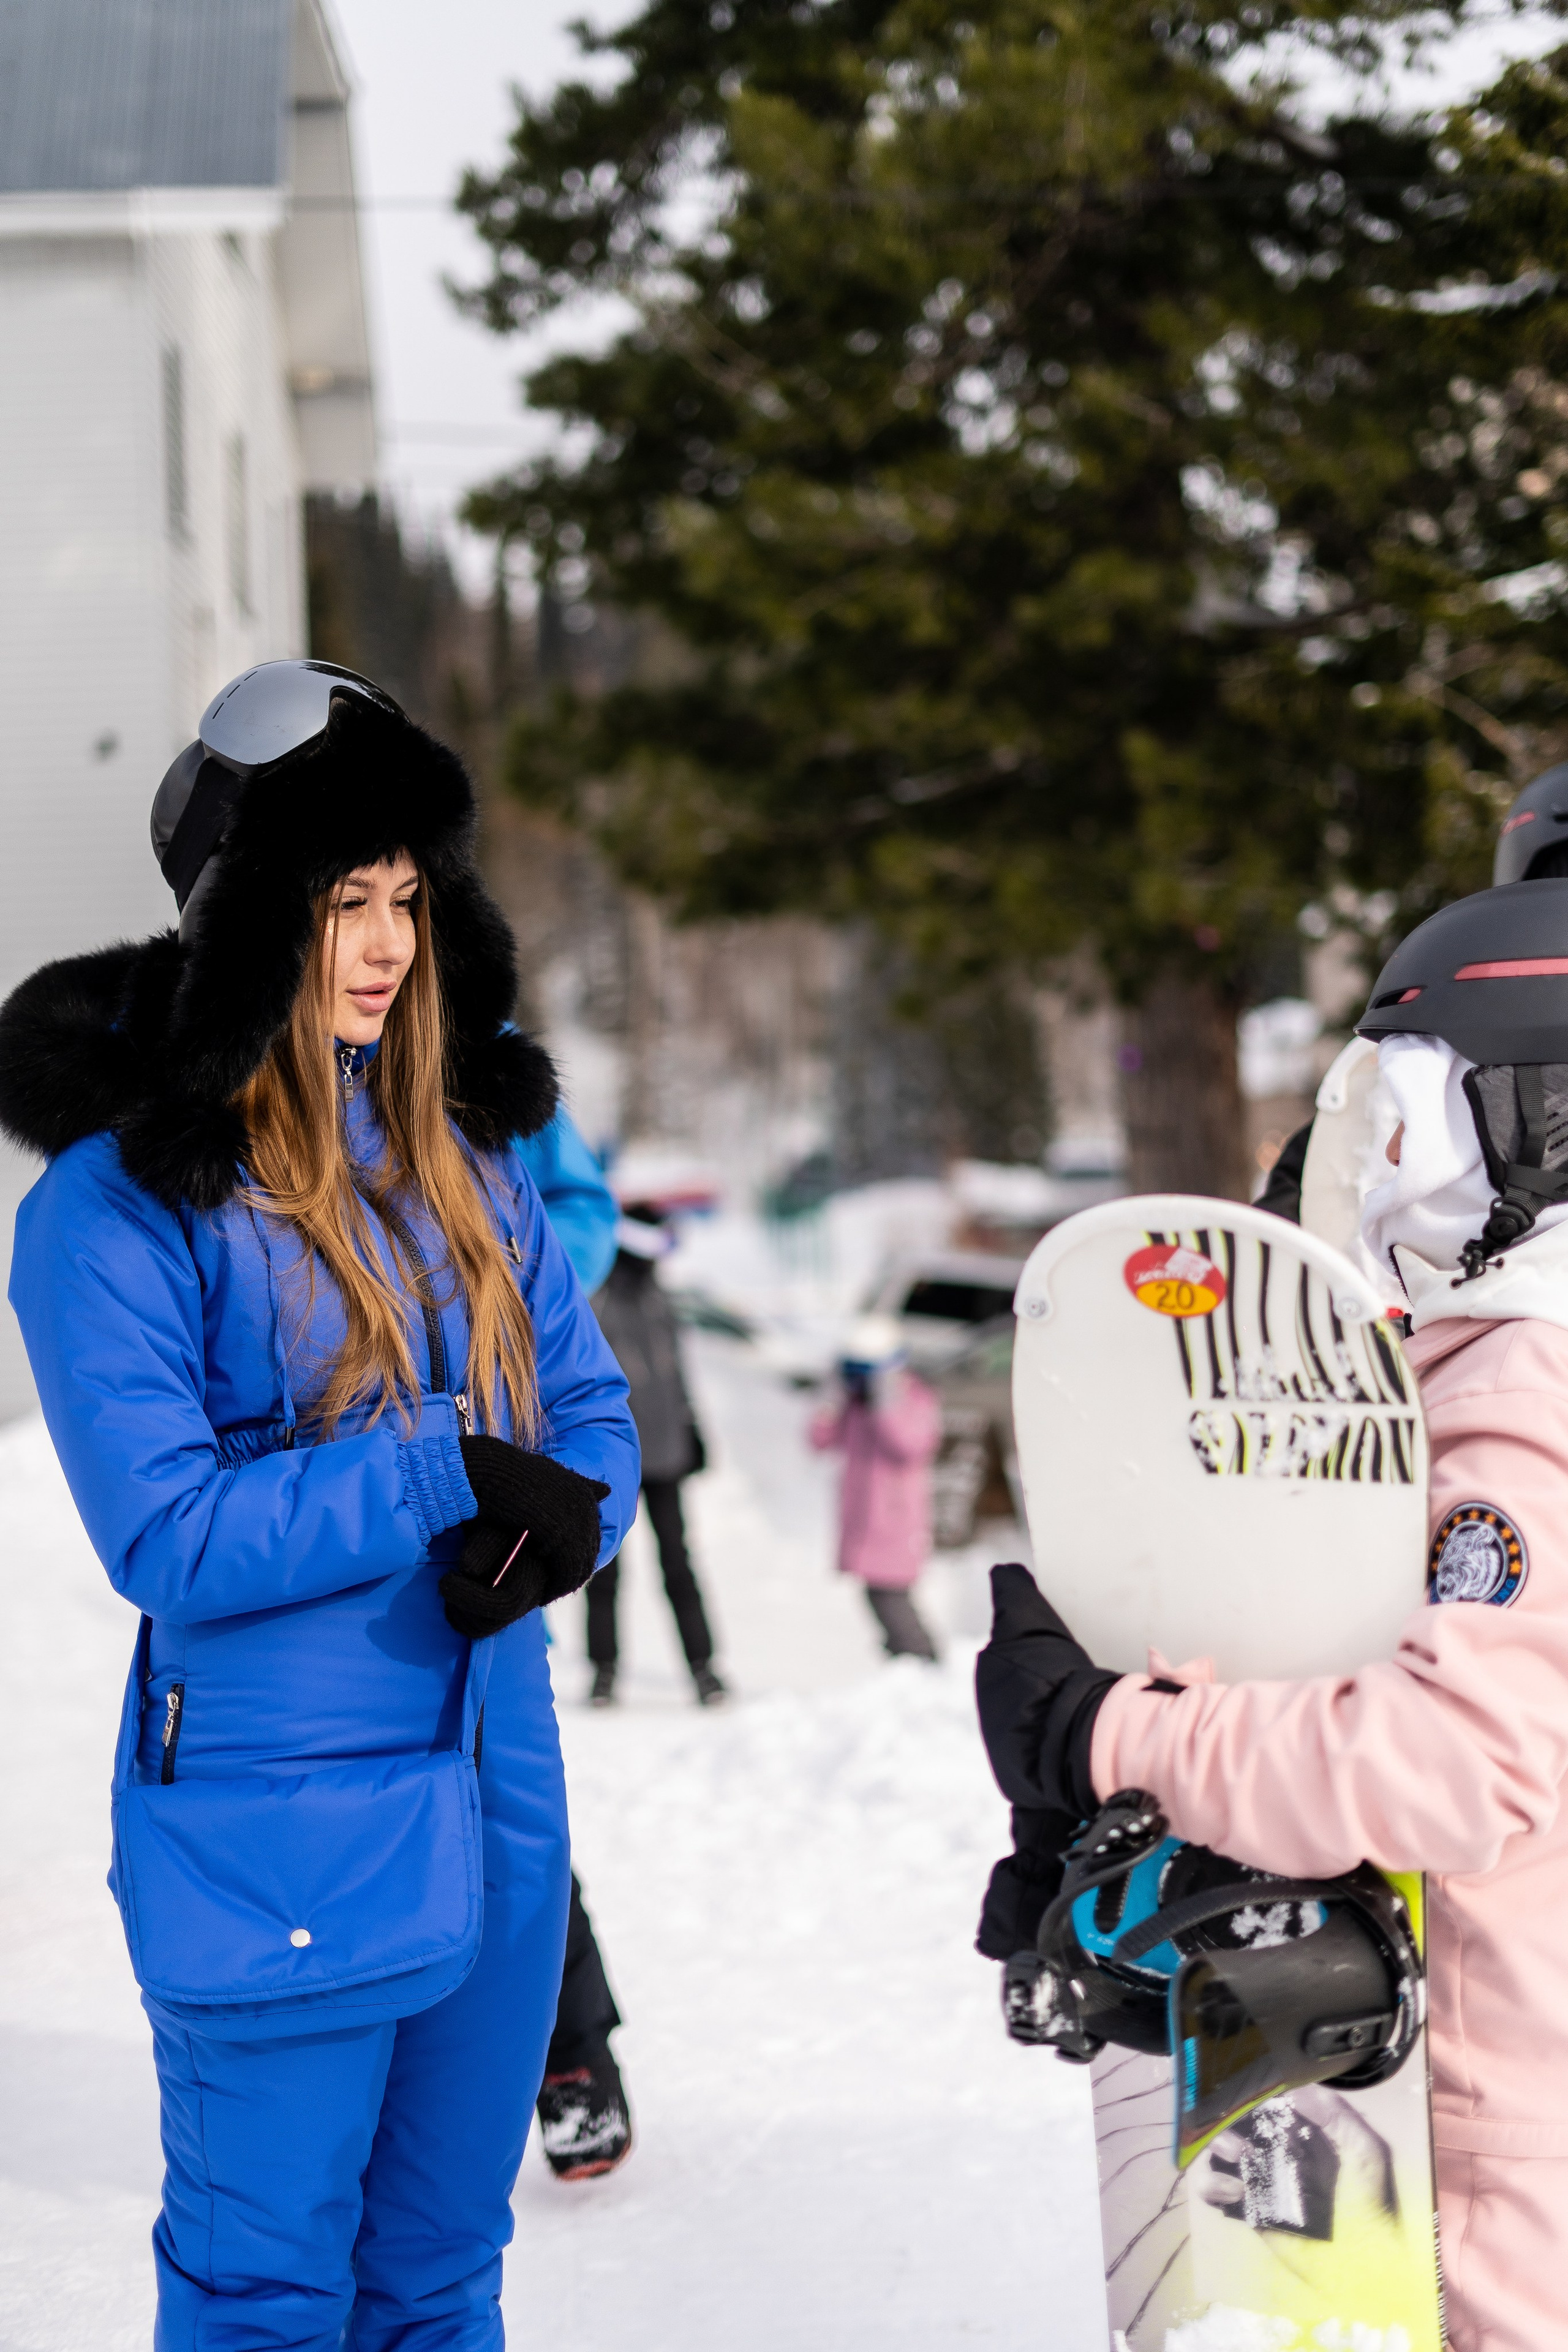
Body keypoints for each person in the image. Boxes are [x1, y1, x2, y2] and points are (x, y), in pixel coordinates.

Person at [0, 660, 640, 2350]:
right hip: (275, 1825)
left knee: (442, 2279)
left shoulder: (465, 1156)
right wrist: (441, 1470)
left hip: (500, 1802)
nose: (381, 946)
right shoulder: (118, 1209)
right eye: (341, 900)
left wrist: (577, 1511)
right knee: (268, 2296)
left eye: (408, 901)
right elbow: (169, 1536)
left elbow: (582, 1406)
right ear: (241, 916)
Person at [974, 875, 1568, 2352]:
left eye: (1403, 1099)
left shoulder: (1518, 1394)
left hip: (1510, 2160)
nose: (1369, 1150)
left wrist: (1104, 1733)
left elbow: (1458, 1762)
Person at [514, 1110, 634, 2180]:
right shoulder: (222, 1049)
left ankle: (570, 2051)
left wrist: (505, 1287)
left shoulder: (470, 1044)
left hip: (485, 1458)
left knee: (506, 1803)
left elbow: (582, 1211)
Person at [587, 1202, 726, 1706]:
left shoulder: (659, 1299)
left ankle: (703, 1668)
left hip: (666, 1454)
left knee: (679, 1563)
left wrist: (693, 1428)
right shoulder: (598, 1300)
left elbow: (676, 1374)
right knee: (605, 1566)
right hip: (613, 1459)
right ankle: (604, 1671)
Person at [810, 1315, 943, 1661]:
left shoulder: (913, 1399)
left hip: (896, 1521)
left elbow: (911, 1446)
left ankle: (922, 1660)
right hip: (862, 1520)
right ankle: (900, 1658)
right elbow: (820, 1441)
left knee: (893, 1596)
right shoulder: (854, 1408)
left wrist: (887, 1402)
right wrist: (830, 1403)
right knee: (875, 1594)